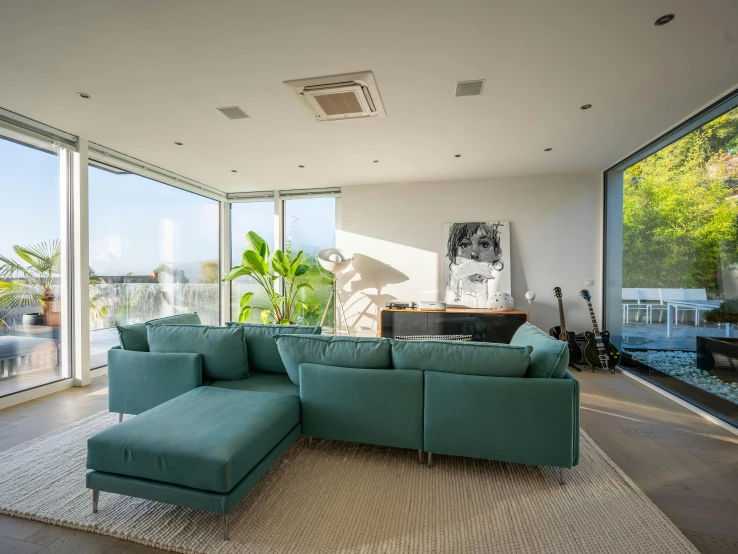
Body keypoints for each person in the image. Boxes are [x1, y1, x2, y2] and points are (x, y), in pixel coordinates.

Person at [445, 222, 504, 308]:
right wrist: (454, 281)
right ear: (453, 254)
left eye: (484, 244)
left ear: (497, 253)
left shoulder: (498, 288)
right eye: (464, 245)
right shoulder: (452, 287)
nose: (473, 253)